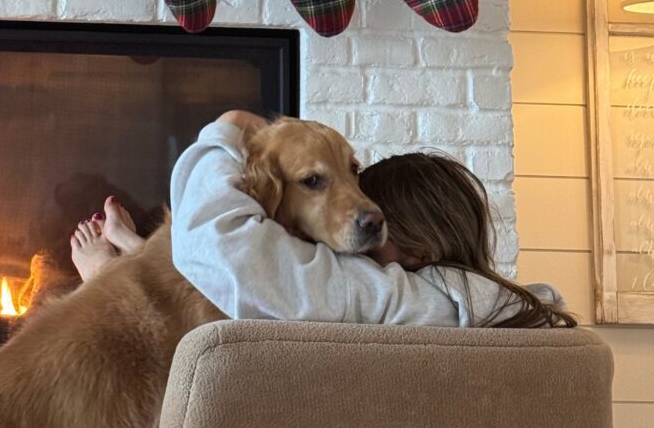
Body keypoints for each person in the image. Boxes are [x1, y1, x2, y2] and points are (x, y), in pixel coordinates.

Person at [71, 111, 574, 329]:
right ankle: (136, 255)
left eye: (378, 213)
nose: (361, 211)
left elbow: (231, 251)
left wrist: (227, 129)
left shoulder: (387, 296)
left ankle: (111, 275)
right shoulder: (472, 298)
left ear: (421, 250)